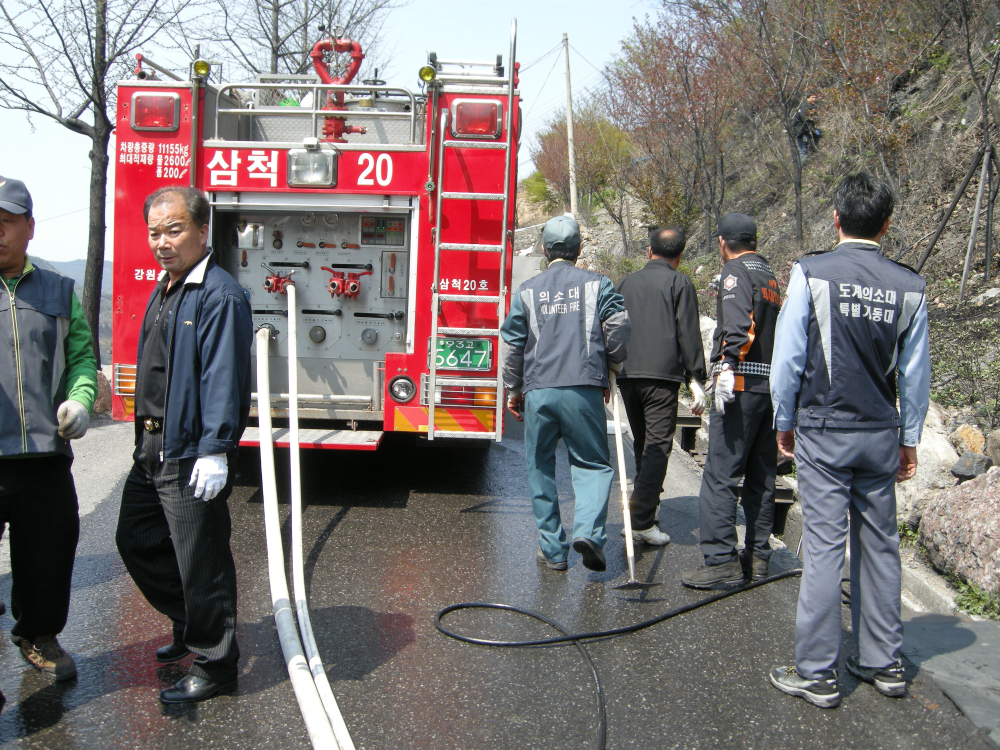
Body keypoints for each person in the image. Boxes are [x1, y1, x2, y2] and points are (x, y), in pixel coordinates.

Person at [768, 173, 930, 709]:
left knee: (823, 547)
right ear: (886, 224)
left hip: (823, 431)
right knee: (880, 545)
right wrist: (910, 438)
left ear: (835, 219)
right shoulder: (910, 286)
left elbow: (789, 359)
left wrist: (783, 419)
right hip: (880, 434)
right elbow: (914, 374)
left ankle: (817, 672)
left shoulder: (811, 273)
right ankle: (883, 662)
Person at [116, 186, 253, 704]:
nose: (162, 242)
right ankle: (188, 618)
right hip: (151, 448)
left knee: (203, 561)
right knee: (136, 539)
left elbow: (224, 376)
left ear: (201, 231)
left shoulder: (219, 295)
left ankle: (217, 665)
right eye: (154, 232)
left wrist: (216, 448)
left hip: (191, 452)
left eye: (174, 230)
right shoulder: (168, 287)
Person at [0, 176, 97, 681]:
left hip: (44, 453)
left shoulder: (59, 290)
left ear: (29, 228)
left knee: (49, 554)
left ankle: (37, 635)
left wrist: (80, 401)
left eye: (6, 222)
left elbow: (81, 358)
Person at [501, 214, 631, 572]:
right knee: (591, 464)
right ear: (579, 249)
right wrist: (613, 366)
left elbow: (513, 345)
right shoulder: (598, 284)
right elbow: (619, 325)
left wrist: (514, 389)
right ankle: (588, 531)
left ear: (544, 249)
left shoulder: (527, 290)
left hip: (539, 390)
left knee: (540, 467)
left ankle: (554, 550)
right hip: (583, 389)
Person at [681, 213, 781, 589]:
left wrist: (726, 367)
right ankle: (757, 558)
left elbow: (738, 327)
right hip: (769, 388)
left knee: (721, 475)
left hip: (739, 385)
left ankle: (721, 560)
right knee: (761, 476)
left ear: (723, 242)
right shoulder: (771, 276)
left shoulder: (734, 272)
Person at [615, 227, 707, 545]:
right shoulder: (679, 282)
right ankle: (639, 519)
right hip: (662, 379)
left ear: (649, 251)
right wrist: (696, 379)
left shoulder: (625, 283)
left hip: (627, 376)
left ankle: (647, 512)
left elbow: (611, 326)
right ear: (679, 257)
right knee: (657, 446)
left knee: (644, 444)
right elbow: (689, 333)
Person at [792, 93, 821, 164]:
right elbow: (805, 120)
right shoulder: (804, 107)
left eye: (815, 97)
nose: (814, 99)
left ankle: (811, 151)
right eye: (812, 97)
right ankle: (800, 169)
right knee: (802, 152)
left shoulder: (811, 108)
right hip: (801, 132)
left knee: (818, 134)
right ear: (807, 98)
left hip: (806, 131)